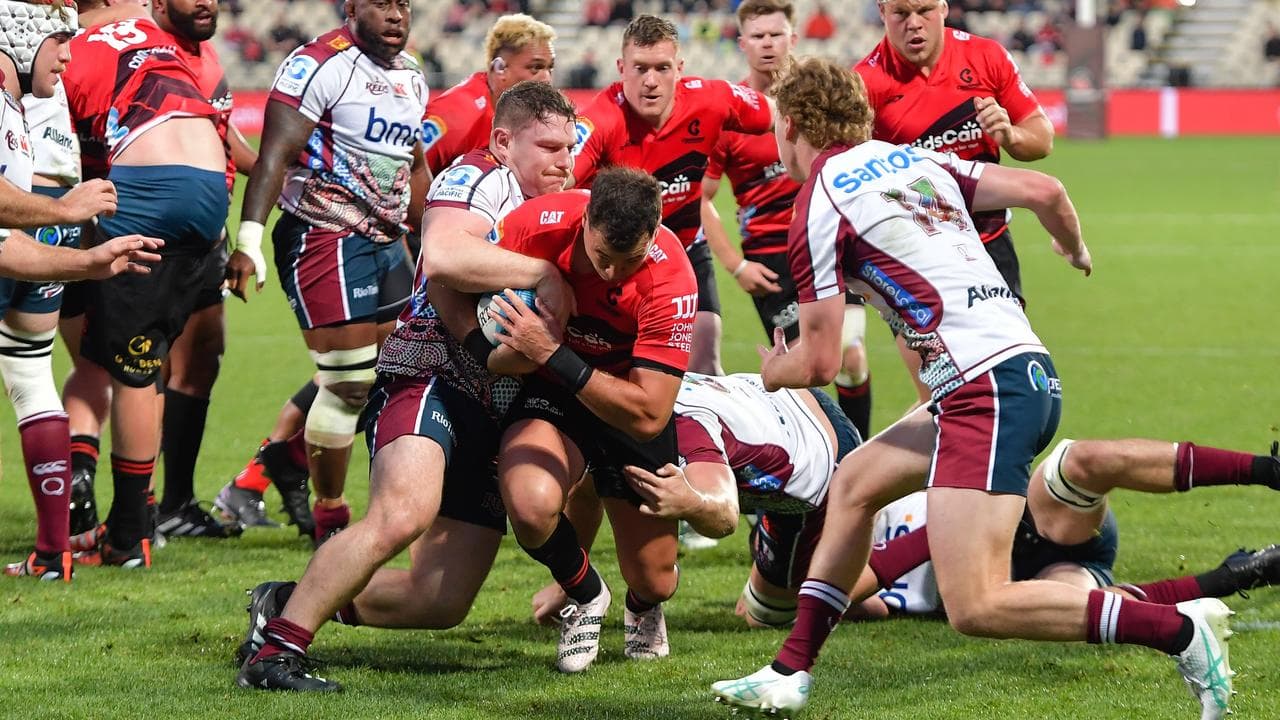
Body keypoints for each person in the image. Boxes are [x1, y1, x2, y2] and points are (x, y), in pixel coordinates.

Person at [710, 58, 1232, 720]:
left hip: (983, 392)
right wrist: (1073, 251)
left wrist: (770, 371)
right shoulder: (915, 162)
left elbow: (816, 363)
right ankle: (790, 671)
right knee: (855, 483)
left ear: (789, 126)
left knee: (977, 605)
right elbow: (1045, 190)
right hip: (1015, 371)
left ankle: (1179, 632)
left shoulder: (818, 200)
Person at [233, 83, 580, 692]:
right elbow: (444, 253)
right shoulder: (477, 177)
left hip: (498, 403)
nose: (563, 160)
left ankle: (283, 603)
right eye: (547, 146)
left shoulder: (567, 202)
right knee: (401, 514)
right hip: (430, 375)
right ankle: (276, 657)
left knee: (436, 601)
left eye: (569, 147)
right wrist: (542, 273)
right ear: (503, 142)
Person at [223, 0, 430, 546]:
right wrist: (248, 242)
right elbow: (273, 154)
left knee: (396, 370)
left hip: (388, 240)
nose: (396, 16)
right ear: (351, 8)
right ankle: (331, 523)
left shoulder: (412, 74)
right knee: (347, 385)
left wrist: (429, 233)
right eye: (382, 4)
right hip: (324, 235)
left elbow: (414, 161)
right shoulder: (317, 64)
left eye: (403, 5)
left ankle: (281, 466)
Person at [479, 168, 696, 673]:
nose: (615, 275)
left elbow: (648, 415)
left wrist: (550, 352)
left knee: (655, 578)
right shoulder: (536, 225)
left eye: (630, 260)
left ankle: (641, 606)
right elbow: (448, 272)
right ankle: (586, 594)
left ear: (656, 229)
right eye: (602, 258)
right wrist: (485, 347)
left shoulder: (672, 277)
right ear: (584, 224)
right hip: (558, 394)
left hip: (626, 398)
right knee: (530, 505)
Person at [62, 0, 229, 568]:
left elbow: (66, 161)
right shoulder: (155, 37)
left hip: (150, 187)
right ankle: (126, 506)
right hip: (209, 193)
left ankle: (129, 534)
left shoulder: (67, 50)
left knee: (130, 366)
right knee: (124, 348)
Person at [0, 0, 163, 581]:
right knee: (29, 372)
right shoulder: (12, 106)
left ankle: (52, 550)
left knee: (29, 370)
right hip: (54, 212)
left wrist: (88, 261)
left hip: (46, 222)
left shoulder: (19, 104)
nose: (70, 56)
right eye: (58, 41)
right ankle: (53, 550)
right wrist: (66, 218)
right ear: (18, 35)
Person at [529, 371, 862, 630]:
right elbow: (587, 492)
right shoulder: (621, 400)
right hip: (770, 412)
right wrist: (569, 585)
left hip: (823, 460)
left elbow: (724, 515)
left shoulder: (687, 431)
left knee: (767, 614)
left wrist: (691, 504)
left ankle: (895, 563)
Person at [855, 0, 1056, 403]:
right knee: (941, 400)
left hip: (989, 245)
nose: (914, 24)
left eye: (925, 10)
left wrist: (1010, 136)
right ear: (882, 12)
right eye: (900, 14)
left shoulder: (986, 57)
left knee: (1010, 386)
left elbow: (1042, 139)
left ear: (944, 8)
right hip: (916, 259)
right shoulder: (864, 84)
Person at [850, 439, 1280, 620]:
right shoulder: (830, 586)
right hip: (1012, 583)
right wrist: (829, 603)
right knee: (1083, 608)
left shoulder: (851, 494)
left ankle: (1267, 469)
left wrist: (824, 595)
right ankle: (1239, 573)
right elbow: (876, 607)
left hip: (1015, 516)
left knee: (1078, 462)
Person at [701, 0, 872, 439]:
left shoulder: (820, 100)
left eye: (776, 34)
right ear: (742, 44)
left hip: (829, 240)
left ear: (793, 39)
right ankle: (819, 465)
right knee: (805, 373)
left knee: (850, 357)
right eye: (757, 36)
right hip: (772, 257)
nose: (768, 44)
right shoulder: (731, 116)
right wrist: (735, 265)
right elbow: (701, 199)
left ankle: (857, 459)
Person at [572, 14, 773, 376]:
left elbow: (783, 115)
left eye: (662, 68)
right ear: (621, 68)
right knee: (618, 369)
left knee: (707, 362)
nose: (650, 81)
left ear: (679, 68)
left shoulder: (713, 99)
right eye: (640, 68)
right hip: (623, 257)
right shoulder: (600, 119)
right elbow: (555, 185)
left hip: (685, 248)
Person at [146, 0, 261, 539]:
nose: (207, 3)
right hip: (150, 236)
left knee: (201, 359)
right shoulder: (141, 51)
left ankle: (175, 503)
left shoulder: (208, 57)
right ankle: (135, 506)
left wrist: (273, 171)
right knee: (142, 367)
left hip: (205, 239)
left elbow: (222, 135)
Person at [422, 13, 556, 176]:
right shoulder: (454, 114)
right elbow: (410, 174)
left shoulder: (533, 114)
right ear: (500, 68)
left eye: (550, 68)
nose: (547, 78)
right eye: (535, 67)